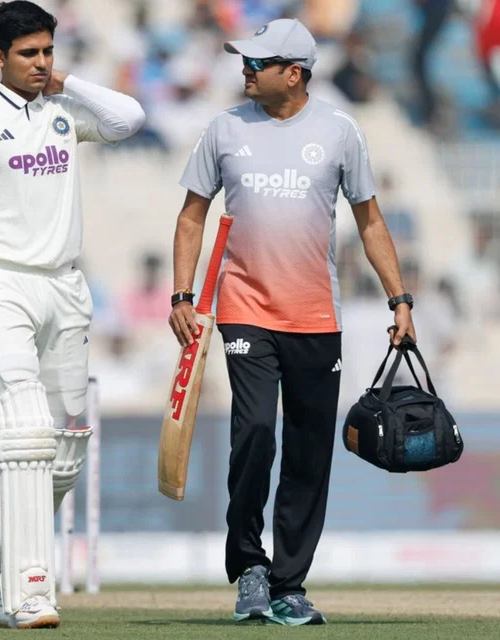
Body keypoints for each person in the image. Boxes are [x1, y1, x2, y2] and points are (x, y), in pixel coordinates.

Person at [0, 1, 144, 629]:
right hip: (0, 287)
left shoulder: (65, 108)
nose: (41, 64)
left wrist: (67, 83)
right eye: (28, 54)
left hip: (66, 288)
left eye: (47, 52)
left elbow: (130, 118)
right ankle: (25, 592)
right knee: (24, 433)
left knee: (65, 453)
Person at [168, 19, 415, 626]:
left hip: (315, 317)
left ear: (295, 73)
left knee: (309, 451)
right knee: (254, 432)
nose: (245, 69)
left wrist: (399, 299)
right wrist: (182, 293)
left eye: (258, 62)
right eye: (245, 61)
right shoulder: (223, 129)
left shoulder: (339, 131)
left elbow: (371, 222)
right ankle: (249, 566)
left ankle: (288, 584)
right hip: (245, 309)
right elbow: (191, 216)